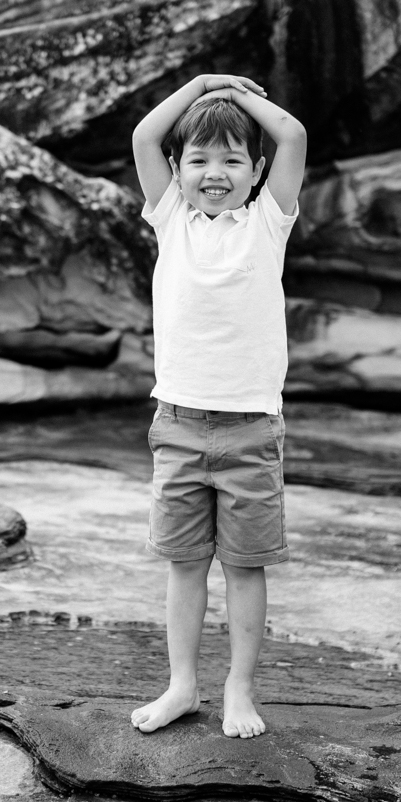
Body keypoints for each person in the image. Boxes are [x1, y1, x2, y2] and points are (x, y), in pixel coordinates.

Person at [128, 73, 307, 739]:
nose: (215, 173)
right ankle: (181, 684)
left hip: (252, 428)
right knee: (183, 564)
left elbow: (292, 133)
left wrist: (238, 99)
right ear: (177, 171)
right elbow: (147, 133)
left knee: (244, 566)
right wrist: (202, 84)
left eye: (233, 160)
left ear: (256, 170)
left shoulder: (268, 220)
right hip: (176, 422)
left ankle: (239, 689)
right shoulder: (170, 217)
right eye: (199, 160)